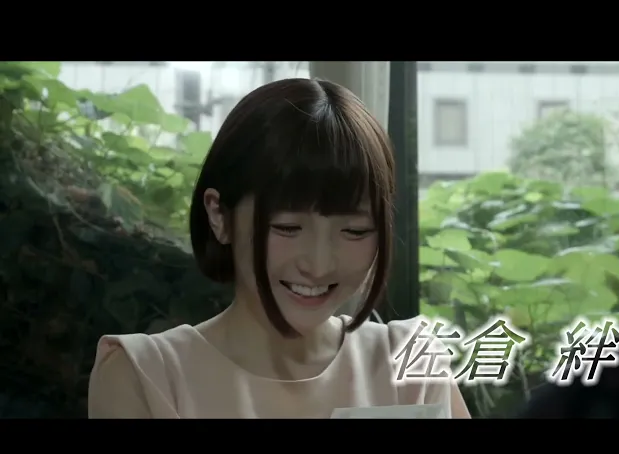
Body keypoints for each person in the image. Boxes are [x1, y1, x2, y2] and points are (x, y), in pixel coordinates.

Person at [88, 77, 471, 419]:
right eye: (288, 227)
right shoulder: (144, 375)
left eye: (354, 231)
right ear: (219, 215)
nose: (319, 265)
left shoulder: (412, 362)